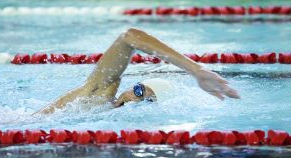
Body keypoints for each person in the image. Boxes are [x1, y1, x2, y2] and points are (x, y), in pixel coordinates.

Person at [33, 28, 240, 115]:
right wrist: (196, 70)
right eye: (139, 90)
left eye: (147, 100)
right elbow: (129, 37)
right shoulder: (100, 93)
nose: (135, 99)